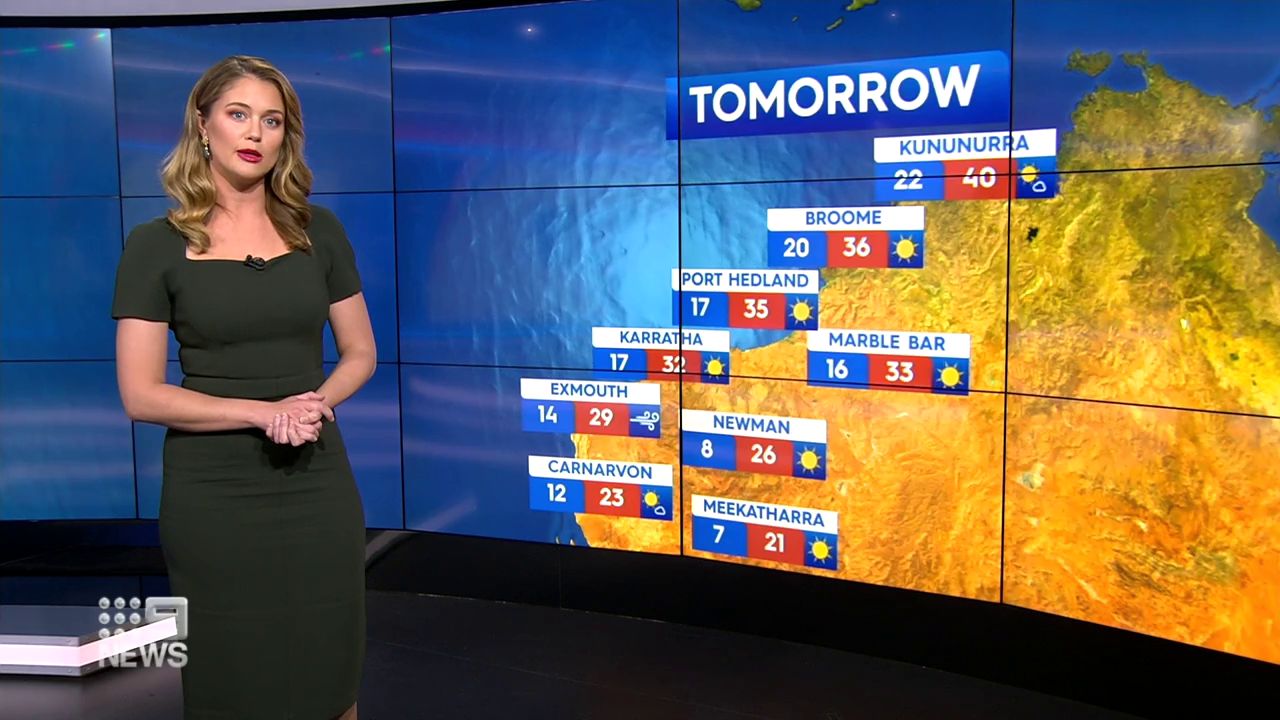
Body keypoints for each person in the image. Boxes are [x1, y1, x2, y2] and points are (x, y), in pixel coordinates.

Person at [111, 55, 375, 720]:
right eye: (238, 114)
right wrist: (261, 413)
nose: (255, 132)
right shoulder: (155, 246)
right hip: (214, 494)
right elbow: (141, 395)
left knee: (329, 668)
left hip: (316, 478)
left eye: (272, 120)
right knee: (231, 675)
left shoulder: (320, 232)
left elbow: (360, 353)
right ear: (203, 125)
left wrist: (314, 404)